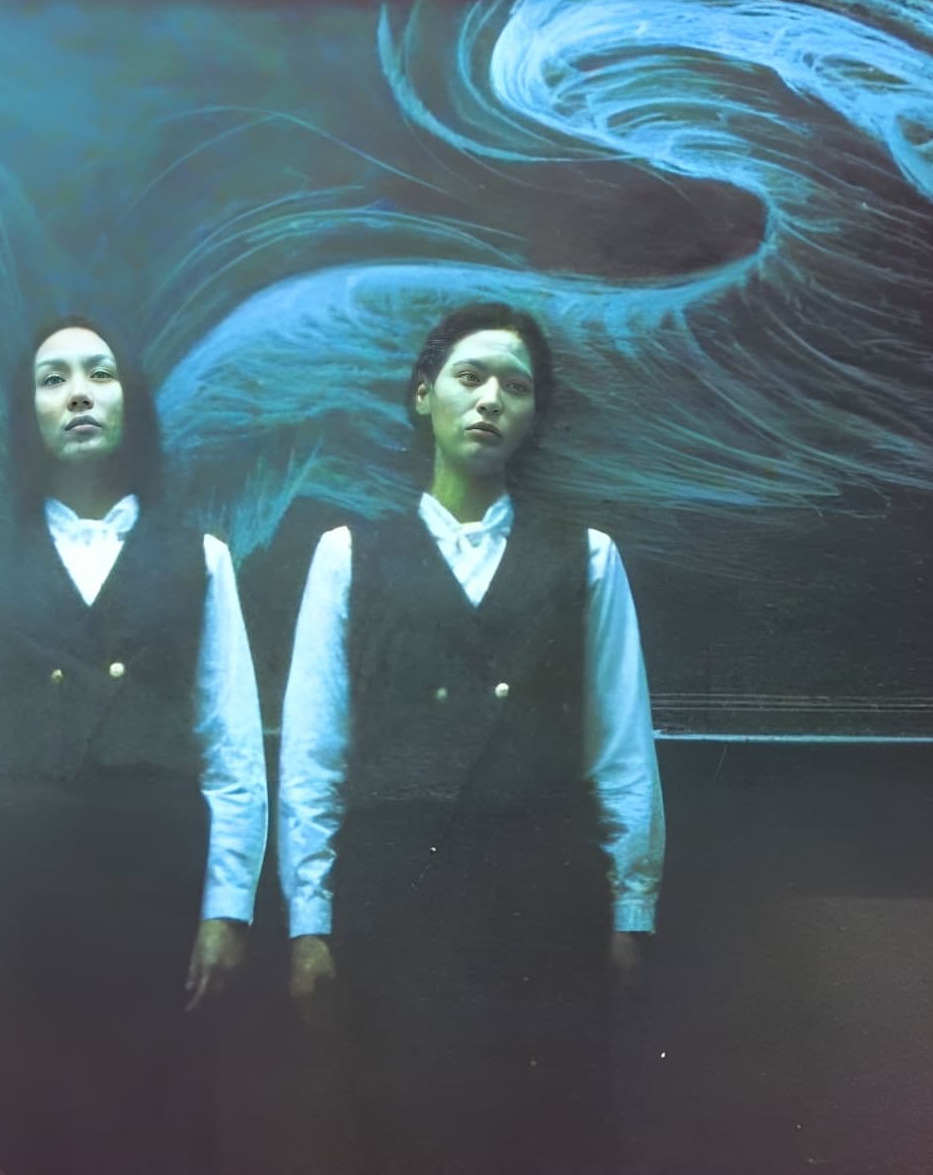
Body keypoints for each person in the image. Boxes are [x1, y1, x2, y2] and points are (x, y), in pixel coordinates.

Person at [275, 301, 665, 1173]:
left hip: (542, 899)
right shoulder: (347, 555)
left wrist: (631, 910)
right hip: (393, 901)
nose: (490, 399)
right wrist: (310, 922)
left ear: (533, 417)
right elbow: (313, 757)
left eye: (515, 387)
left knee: (537, 1138)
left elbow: (620, 751)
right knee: (402, 1133)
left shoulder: (588, 558)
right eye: (469, 377)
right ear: (424, 395)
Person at [0, 317, 268, 1174]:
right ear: (27, 412)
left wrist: (227, 908)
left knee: (149, 1138)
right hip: (17, 899)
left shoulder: (202, 558)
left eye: (99, 374)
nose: (77, 395)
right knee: (24, 1136)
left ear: (130, 402)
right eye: (53, 378)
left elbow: (234, 756)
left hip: (156, 896)